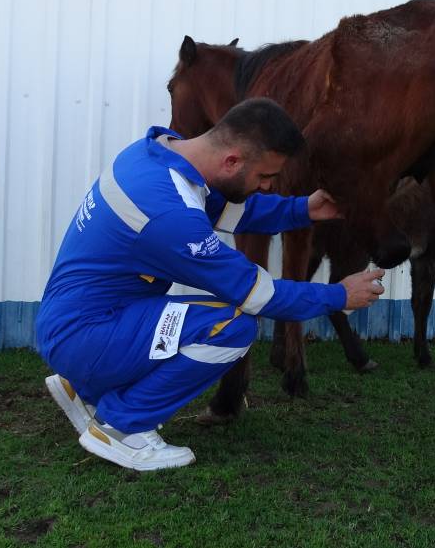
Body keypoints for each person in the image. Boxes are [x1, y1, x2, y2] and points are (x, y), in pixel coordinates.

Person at [35, 98, 384, 471]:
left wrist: (304, 209)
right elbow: (259, 296)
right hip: (84, 334)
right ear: (232, 161)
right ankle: (122, 426)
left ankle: (88, 391)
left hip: (81, 320)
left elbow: (226, 204)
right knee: (232, 325)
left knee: (207, 313)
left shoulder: (155, 154)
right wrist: (340, 294)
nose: (267, 187)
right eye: (265, 177)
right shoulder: (171, 217)